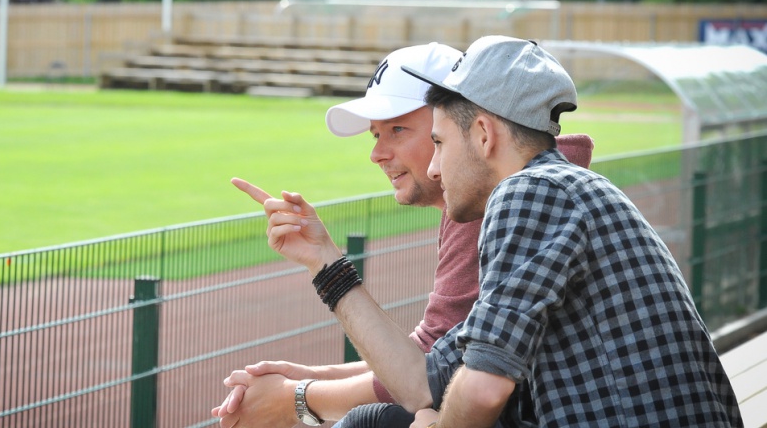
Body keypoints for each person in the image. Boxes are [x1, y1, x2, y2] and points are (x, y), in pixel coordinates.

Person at [231, 35, 741, 427]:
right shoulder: (550, 191)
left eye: (438, 141)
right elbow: (423, 380)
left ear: (483, 133)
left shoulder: (531, 193)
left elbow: (477, 392)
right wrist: (325, 262)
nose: (433, 169)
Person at [214, 42, 594, 427]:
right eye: (375, 134)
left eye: (397, 129)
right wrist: (311, 380)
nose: (377, 153)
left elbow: (426, 382)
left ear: (469, 127)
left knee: (376, 421)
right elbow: (438, 359)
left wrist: (297, 399)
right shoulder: (523, 191)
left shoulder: (514, 196)